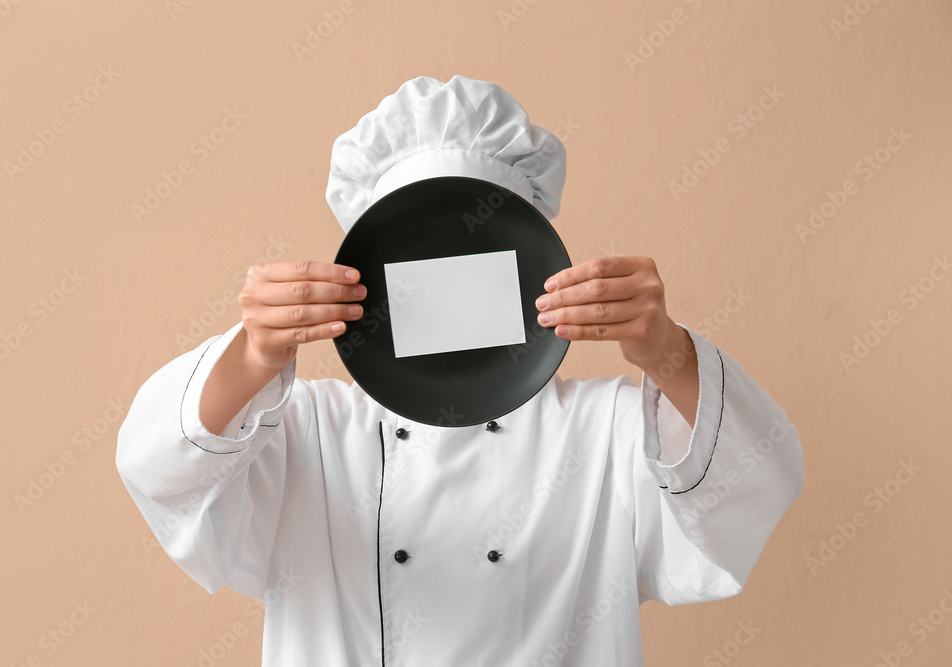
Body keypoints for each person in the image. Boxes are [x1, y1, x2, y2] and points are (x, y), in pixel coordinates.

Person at [116, 75, 804, 666]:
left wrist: (668, 352)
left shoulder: (604, 433)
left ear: (526, 258)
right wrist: (254, 352)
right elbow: (159, 470)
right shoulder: (308, 433)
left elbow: (754, 488)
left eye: (474, 266)